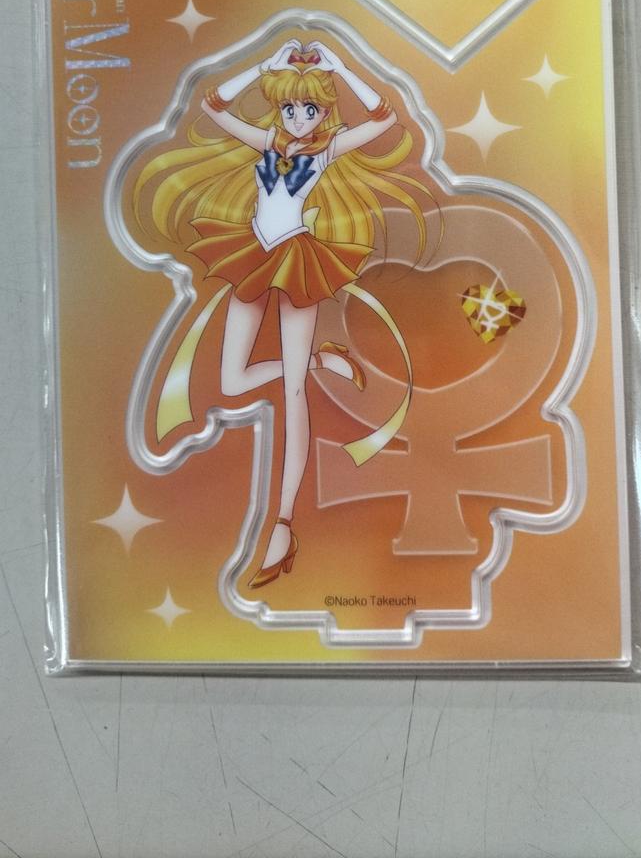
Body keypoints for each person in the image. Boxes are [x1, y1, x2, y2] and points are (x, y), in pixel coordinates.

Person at [133, 38, 430, 587]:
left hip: (296, 259)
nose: (298, 118)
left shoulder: (328, 148)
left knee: (294, 395)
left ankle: (284, 524)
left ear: (323, 109)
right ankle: (321, 361)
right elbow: (213, 106)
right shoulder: (267, 139)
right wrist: (262, 65)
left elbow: (385, 119)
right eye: (290, 107)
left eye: (309, 108)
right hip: (252, 253)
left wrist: (341, 66)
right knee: (232, 378)